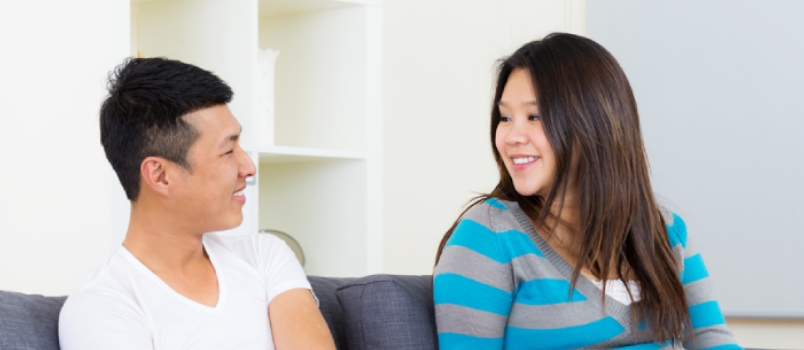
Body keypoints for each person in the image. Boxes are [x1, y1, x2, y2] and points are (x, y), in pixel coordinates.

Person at [433, 33, 741, 349]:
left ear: (595, 123)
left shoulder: (665, 233)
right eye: (505, 117)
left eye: (534, 116)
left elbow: (713, 341)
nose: (511, 136)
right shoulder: (489, 236)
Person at [59, 57, 336, 350]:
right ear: (160, 175)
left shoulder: (265, 257)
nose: (249, 168)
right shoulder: (102, 308)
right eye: (228, 151)